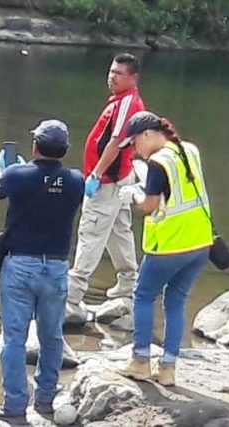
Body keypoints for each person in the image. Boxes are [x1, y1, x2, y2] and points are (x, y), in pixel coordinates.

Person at [0, 120, 84, 424]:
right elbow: (53, 189)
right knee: (52, 336)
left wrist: (2, 166)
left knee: (14, 339)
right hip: (56, 268)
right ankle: (45, 399)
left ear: (34, 147)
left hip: (20, 265)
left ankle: (15, 406)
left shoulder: (17, 175)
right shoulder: (76, 180)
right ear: (65, 150)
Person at [116, 111, 213, 387]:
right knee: (176, 301)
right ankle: (168, 368)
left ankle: (140, 361)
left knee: (143, 294)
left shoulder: (158, 163)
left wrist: (134, 195)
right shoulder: (189, 150)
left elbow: (148, 205)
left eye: (134, 143)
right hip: (201, 242)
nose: (134, 149)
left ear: (147, 135)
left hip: (171, 243)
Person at [67, 53, 146, 317]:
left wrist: (96, 174)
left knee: (91, 232)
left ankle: (73, 293)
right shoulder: (119, 101)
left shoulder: (127, 103)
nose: (111, 77)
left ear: (132, 78)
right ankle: (128, 284)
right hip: (120, 179)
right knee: (118, 230)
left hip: (109, 182)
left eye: (118, 74)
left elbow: (115, 142)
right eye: (111, 71)